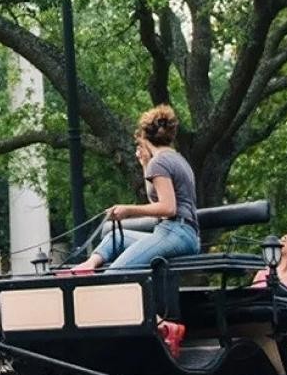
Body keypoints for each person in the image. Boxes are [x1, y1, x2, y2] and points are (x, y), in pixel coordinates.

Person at [73, 104, 200, 272]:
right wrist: (145, 164)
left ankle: (104, 279)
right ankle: (90, 264)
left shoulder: (159, 162)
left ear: (143, 138)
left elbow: (168, 208)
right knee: (115, 238)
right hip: (183, 233)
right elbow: (157, 200)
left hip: (174, 232)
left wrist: (127, 210)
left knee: (115, 273)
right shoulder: (177, 159)